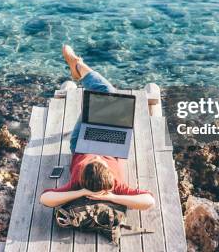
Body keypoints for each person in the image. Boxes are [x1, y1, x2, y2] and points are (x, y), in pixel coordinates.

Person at [39, 45, 155, 211]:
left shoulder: (78, 182)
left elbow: (45, 198)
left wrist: (79, 192)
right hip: (111, 142)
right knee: (107, 95)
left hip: (81, 142)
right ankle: (78, 68)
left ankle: (77, 66)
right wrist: (113, 197)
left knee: (104, 94)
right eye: (101, 162)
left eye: (93, 160)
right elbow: (149, 201)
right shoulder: (115, 184)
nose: (98, 156)